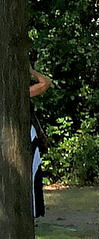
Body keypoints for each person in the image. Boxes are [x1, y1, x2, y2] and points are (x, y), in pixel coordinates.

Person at [29, 66, 53, 219]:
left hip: (28, 137)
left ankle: (33, 211)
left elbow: (45, 83)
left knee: (32, 174)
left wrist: (30, 71)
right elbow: (45, 83)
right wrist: (31, 71)